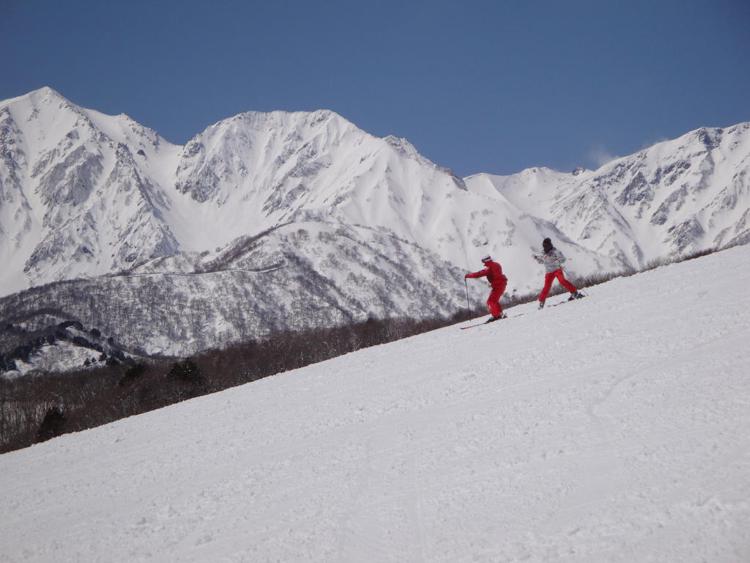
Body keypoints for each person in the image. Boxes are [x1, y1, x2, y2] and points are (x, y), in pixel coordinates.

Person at [533, 238, 583, 308]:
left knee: (562, 281)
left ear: (549, 245)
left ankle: (574, 293)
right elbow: (542, 261)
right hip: (549, 272)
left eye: (546, 246)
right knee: (546, 287)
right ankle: (541, 301)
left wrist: (557, 261)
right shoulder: (543, 253)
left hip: (557, 269)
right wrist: (537, 259)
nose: (545, 247)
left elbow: (563, 259)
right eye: (544, 246)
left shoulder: (555, 251)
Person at [465, 255, 508, 322]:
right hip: (501, 284)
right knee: (494, 301)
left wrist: (468, 275)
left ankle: (497, 316)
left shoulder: (489, 267)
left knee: (490, 301)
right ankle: (499, 314)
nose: (483, 263)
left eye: (483, 261)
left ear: (485, 260)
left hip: (498, 285)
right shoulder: (496, 264)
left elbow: (479, 274)